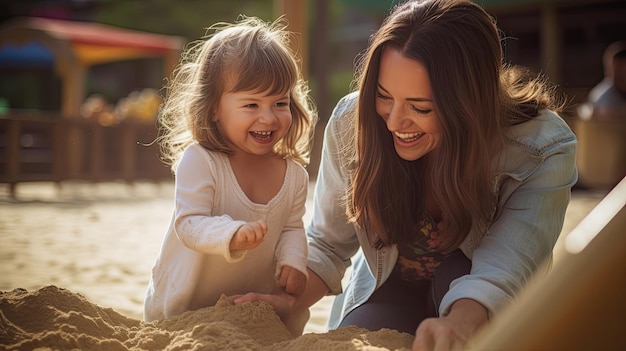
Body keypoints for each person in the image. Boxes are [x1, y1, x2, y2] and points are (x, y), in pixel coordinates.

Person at [233, 0, 578, 349]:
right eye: (384, 96)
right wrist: (289, 299)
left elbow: (505, 269)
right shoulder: (354, 121)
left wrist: (458, 326)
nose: (395, 122)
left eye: (420, 107)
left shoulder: (542, 149)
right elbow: (328, 242)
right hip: (386, 289)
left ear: (470, 103)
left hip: (474, 297)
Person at [143, 16, 317, 322]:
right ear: (213, 108)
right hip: (182, 311)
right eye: (252, 105)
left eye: (280, 103)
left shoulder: (294, 176)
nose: (269, 118)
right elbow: (189, 223)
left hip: (247, 311)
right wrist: (231, 233)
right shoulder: (201, 161)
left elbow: (291, 227)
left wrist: (293, 260)